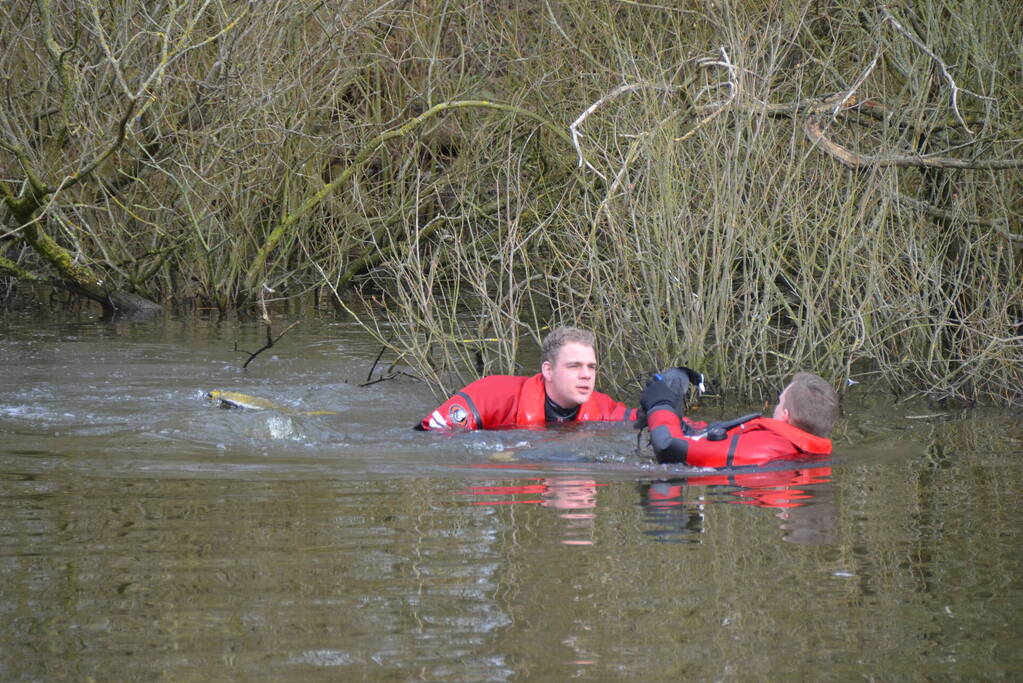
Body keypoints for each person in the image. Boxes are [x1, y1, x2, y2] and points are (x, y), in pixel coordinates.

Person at [418, 326, 637, 430]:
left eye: (591, 367)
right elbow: (430, 435)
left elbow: (644, 419)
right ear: (548, 371)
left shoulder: (602, 406)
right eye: (574, 366)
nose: (586, 375)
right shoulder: (493, 393)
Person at [640, 371, 839, 467]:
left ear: (785, 416)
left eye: (779, 403)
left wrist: (660, 405)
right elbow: (706, 435)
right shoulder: (794, 449)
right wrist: (674, 415)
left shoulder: (765, 447)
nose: (774, 409)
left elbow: (668, 447)